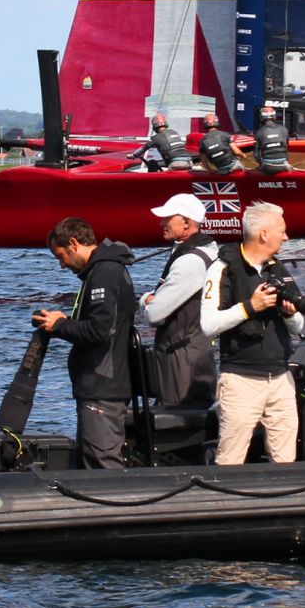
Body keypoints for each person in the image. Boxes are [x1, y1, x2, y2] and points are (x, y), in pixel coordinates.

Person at [199, 202, 305, 464]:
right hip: (241, 381)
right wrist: (250, 307)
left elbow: (300, 327)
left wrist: (290, 314)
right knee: (231, 459)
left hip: (281, 378)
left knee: (286, 461)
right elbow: (208, 325)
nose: (286, 236)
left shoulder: (277, 268)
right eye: (281, 230)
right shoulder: (221, 268)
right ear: (264, 234)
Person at [31, 217, 139, 468]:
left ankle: (117, 505)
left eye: (61, 256)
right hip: (98, 385)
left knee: (102, 462)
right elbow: (100, 323)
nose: (61, 265)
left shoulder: (105, 272)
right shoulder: (100, 272)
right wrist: (65, 321)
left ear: (73, 243)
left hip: (103, 387)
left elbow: (100, 330)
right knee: (89, 460)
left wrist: (60, 326)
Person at [141, 192, 219, 409]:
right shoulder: (207, 251)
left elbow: (155, 314)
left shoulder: (190, 261)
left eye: (168, 218)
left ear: (187, 223)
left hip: (182, 362)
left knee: (177, 421)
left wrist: (145, 299)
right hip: (195, 355)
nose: (161, 223)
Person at [252, 104, 291, 175]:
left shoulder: (259, 133)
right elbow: (286, 147)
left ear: (261, 118)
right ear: (274, 117)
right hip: (284, 165)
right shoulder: (284, 129)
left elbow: (256, 155)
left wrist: (261, 165)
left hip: (267, 167)